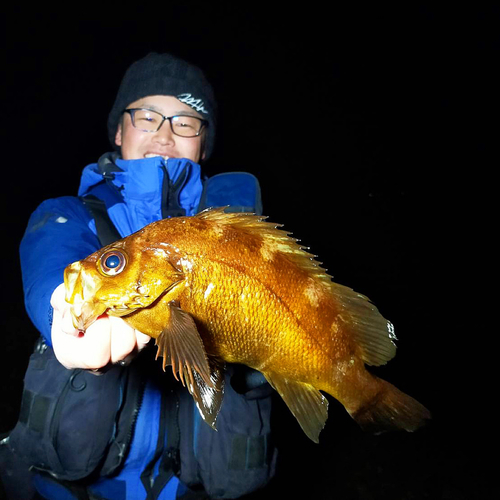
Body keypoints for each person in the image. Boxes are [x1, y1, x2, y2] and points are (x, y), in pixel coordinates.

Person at [1, 52, 276, 499]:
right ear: (118, 129)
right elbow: (54, 258)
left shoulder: (234, 233)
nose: (165, 135)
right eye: (147, 116)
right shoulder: (69, 215)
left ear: (203, 145)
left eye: (185, 122)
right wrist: (61, 310)